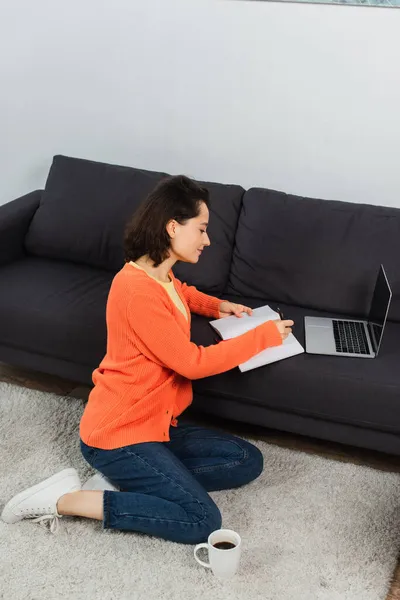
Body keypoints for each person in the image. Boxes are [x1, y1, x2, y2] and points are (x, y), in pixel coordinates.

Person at [1, 175, 293, 542]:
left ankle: (133, 478)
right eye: (201, 229)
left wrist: (218, 306)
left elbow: (180, 293)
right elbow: (192, 363)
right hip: (116, 433)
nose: (207, 240)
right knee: (202, 519)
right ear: (173, 227)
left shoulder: (157, 273)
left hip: (154, 424)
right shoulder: (136, 290)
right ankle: (65, 500)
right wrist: (262, 337)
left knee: (245, 460)